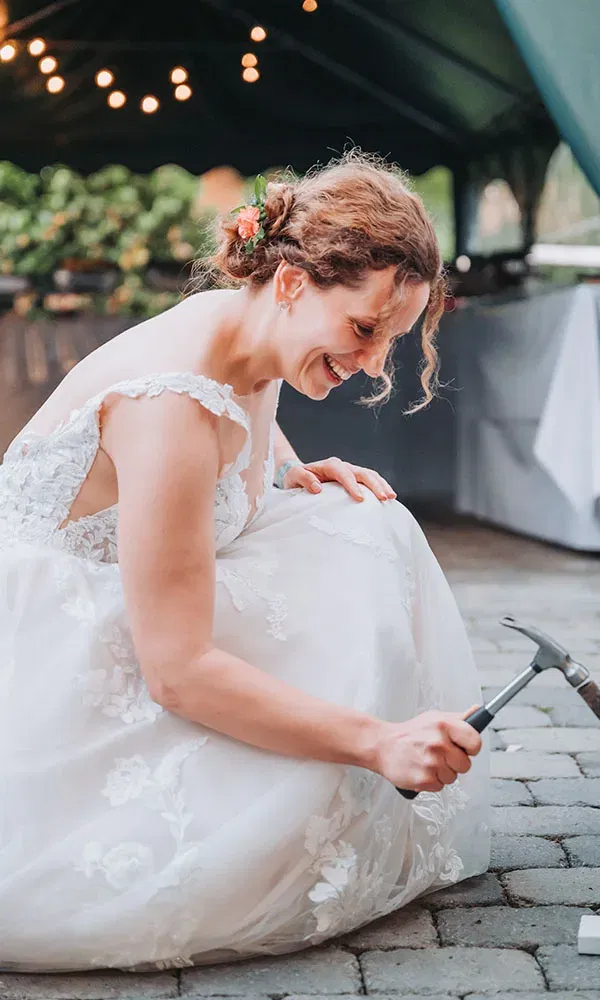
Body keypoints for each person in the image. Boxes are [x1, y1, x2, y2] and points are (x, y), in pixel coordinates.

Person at [0, 151, 490, 972]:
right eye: (364, 329)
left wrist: (292, 472)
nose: (372, 361)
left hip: (147, 587)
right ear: (294, 283)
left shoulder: (248, 329)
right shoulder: (173, 409)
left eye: (391, 341)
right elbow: (179, 671)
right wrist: (374, 742)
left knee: (367, 525)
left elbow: (245, 415)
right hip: (58, 644)